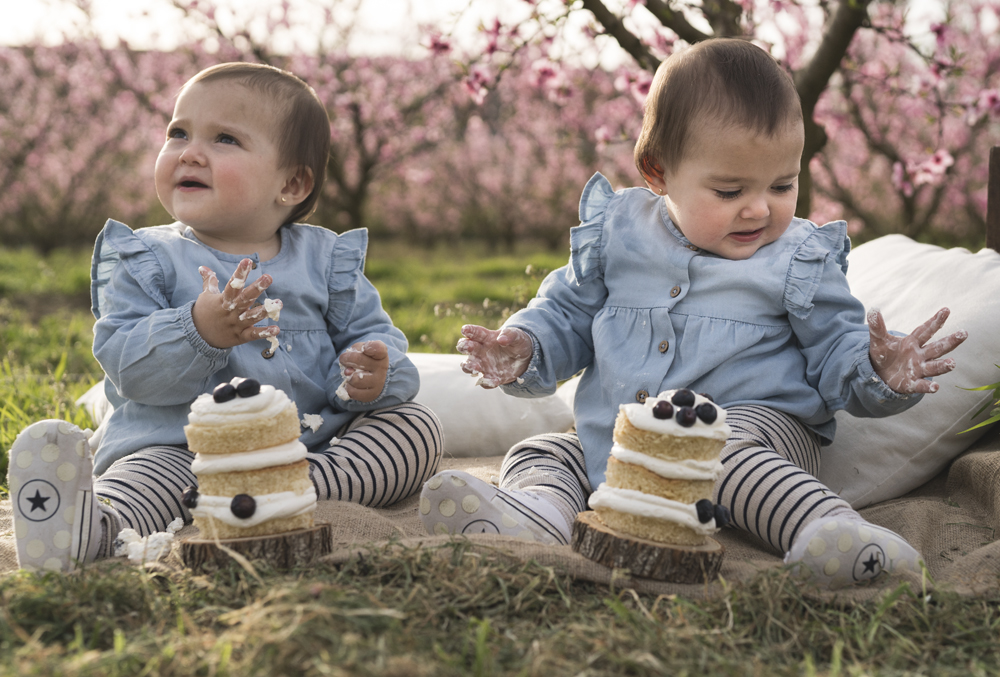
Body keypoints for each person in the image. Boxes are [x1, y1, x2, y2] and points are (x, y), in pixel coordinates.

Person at [418, 38, 967, 588]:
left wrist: (877, 370)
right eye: (729, 190)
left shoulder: (797, 257)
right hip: (623, 445)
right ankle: (537, 517)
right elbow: (566, 313)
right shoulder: (617, 234)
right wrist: (526, 345)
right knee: (543, 451)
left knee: (718, 450)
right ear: (658, 173)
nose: (760, 208)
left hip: (753, 433)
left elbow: (837, 347)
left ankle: (835, 534)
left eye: (783, 185)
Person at [9, 62, 443, 572]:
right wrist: (197, 330)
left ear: (293, 182)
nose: (189, 151)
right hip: (181, 453)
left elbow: (372, 335)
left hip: (311, 448)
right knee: (144, 484)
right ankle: (87, 528)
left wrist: (371, 371)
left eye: (225, 140)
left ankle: (289, 490)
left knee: (414, 428)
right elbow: (126, 366)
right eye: (178, 132)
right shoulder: (146, 258)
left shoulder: (326, 263)